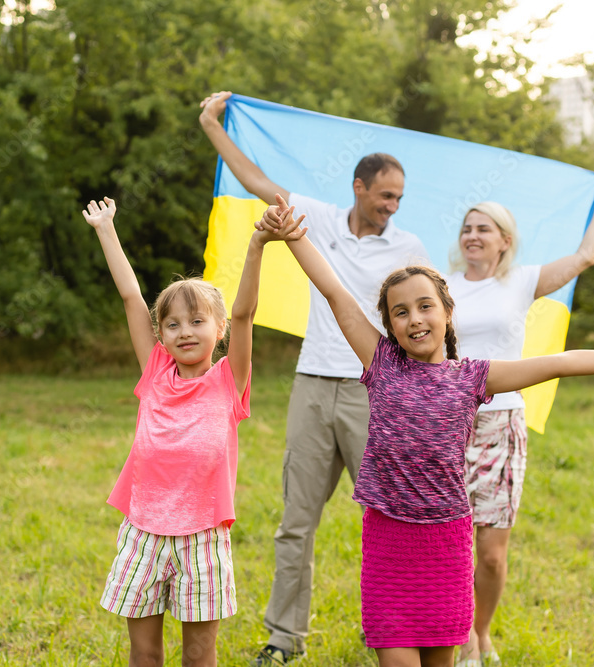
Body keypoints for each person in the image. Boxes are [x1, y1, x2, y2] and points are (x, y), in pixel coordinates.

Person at [261, 195, 594, 667]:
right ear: (390, 326)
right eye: (400, 312)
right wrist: (295, 237)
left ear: (447, 313)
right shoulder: (381, 363)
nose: (414, 318)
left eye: (424, 306)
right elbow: (335, 292)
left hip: (446, 542)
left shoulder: (471, 377)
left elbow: (557, 363)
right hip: (388, 541)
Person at [199, 91, 429, 665]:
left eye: (399, 198)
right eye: (384, 196)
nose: (392, 207)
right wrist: (211, 124)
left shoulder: (410, 248)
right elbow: (253, 177)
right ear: (358, 187)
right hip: (311, 387)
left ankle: (399, 630)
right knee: (295, 521)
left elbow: (428, 318)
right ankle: (283, 639)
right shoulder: (317, 219)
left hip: (374, 394)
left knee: (390, 520)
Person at [84, 196, 305, 667]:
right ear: (160, 334)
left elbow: (246, 312)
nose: (185, 331)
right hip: (142, 532)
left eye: (198, 321)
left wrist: (258, 243)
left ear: (219, 330)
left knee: (199, 656)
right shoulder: (155, 371)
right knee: (144, 653)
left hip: (202, 539)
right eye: (173, 324)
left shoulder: (229, 381)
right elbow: (130, 297)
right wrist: (106, 228)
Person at [447, 174, 594, 666]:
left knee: (491, 554)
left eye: (484, 228)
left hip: (504, 425)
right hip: (452, 428)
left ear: (505, 240)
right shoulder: (443, 288)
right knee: (451, 544)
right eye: (467, 228)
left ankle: (481, 632)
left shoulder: (521, 281)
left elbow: (585, 257)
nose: (473, 236)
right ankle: (455, 631)